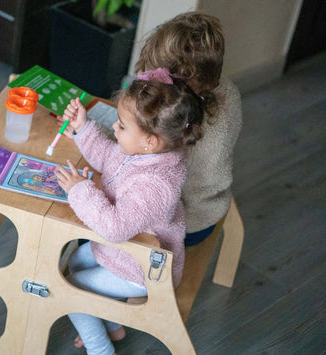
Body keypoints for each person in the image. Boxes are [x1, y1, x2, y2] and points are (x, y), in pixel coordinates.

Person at [54, 69, 206, 355]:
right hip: (121, 251)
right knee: (74, 261)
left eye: (122, 126)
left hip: (140, 269)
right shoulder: (140, 153)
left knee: (68, 289)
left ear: (150, 141)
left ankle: (100, 348)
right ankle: (113, 326)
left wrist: (79, 190)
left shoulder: (156, 185)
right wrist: (83, 128)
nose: (114, 128)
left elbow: (114, 228)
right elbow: (107, 156)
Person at [135, 11, 243, 246]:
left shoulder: (177, 118)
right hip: (210, 210)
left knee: (90, 222)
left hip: (180, 223)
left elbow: (141, 165)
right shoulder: (227, 90)